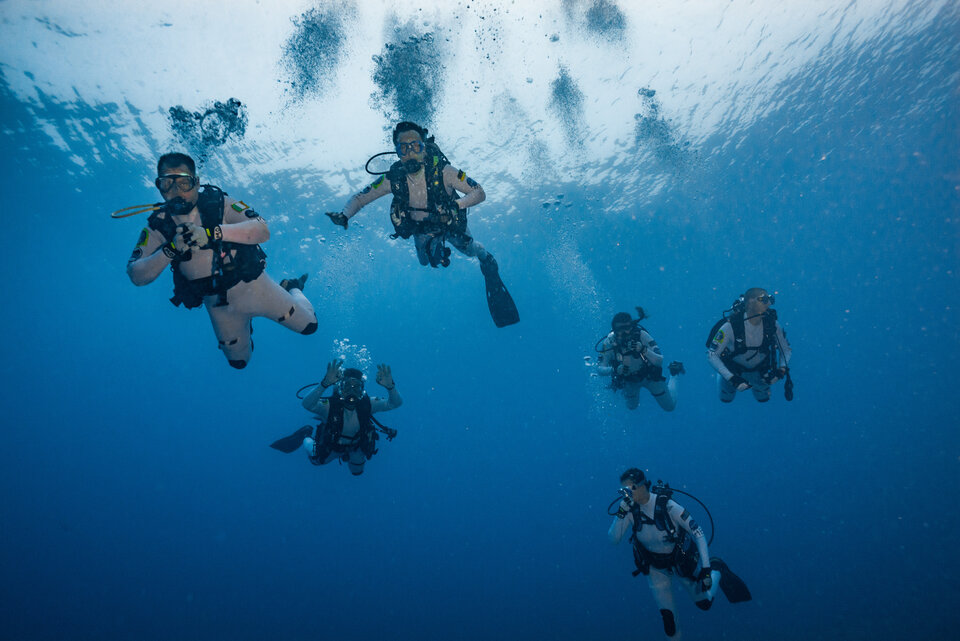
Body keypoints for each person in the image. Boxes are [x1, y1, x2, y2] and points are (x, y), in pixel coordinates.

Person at [126, 152, 317, 369]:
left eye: (184, 183)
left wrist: (211, 233)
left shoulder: (220, 203)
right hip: (218, 305)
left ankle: (292, 288)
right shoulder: (159, 225)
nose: (176, 192)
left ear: (196, 183)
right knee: (239, 361)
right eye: (167, 184)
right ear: (158, 186)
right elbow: (136, 275)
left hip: (256, 288)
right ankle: (246, 328)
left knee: (310, 326)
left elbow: (262, 229)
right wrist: (170, 250)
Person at [325, 121, 518, 327]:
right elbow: (360, 198)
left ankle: (485, 258)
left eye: (416, 146)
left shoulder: (445, 172)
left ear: (424, 147)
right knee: (425, 263)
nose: (410, 153)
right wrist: (345, 216)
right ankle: (437, 248)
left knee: (470, 251)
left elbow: (479, 192)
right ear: (397, 152)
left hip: (449, 225)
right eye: (404, 148)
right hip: (420, 231)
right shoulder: (393, 179)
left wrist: (456, 206)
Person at [609, 468, 751, 639]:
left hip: (680, 562)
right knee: (669, 622)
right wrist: (621, 514)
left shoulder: (667, 506)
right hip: (655, 569)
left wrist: (706, 569)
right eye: (622, 491)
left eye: (629, 489)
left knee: (704, 603)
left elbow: (698, 533)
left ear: (641, 486)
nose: (626, 495)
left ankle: (716, 568)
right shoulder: (630, 512)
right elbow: (614, 539)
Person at [270, 361, 401, 476]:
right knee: (317, 461)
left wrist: (391, 387)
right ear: (340, 387)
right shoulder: (330, 406)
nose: (352, 391)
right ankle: (306, 435)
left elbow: (395, 403)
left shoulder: (368, 404)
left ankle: (349, 456)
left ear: (362, 390)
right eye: (347, 386)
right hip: (332, 446)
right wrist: (324, 384)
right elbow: (306, 404)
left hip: (356, 445)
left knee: (357, 472)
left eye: (356, 387)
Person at [706, 288, 792, 403]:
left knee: (763, 398)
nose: (768, 304)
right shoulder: (730, 326)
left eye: (770, 300)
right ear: (750, 303)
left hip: (760, 373)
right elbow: (712, 355)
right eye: (764, 300)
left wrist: (781, 369)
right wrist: (731, 378)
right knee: (726, 397)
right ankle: (724, 381)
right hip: (733, 372)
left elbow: (785, 349)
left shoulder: (772, 325)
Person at [596, 308, 684, 411]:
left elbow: (659, 360)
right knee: (632, 407)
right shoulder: (609, 343)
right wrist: (614, 370)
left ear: (632, 326)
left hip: (649, 376)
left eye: (627, 328)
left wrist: (643, 349)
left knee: (670, 407)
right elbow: (600, 369)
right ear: (614, 330)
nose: (624, 333)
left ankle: (674, 374)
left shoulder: (642, 336)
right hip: (629, 381)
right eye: (620, 329)